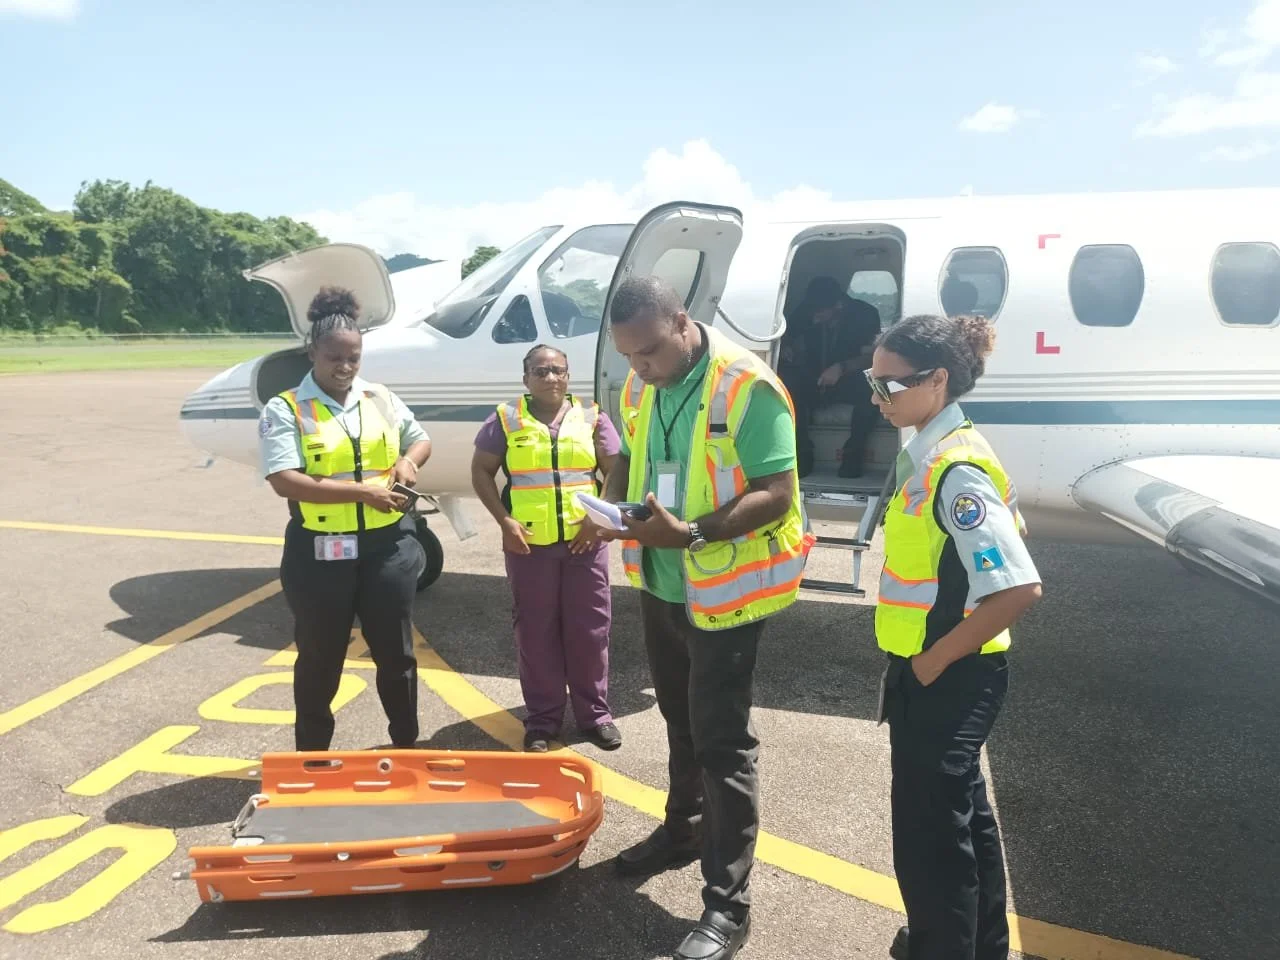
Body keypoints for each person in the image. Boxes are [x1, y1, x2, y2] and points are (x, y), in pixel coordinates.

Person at [592, 276, 811, 960]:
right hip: (662, 583)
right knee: (679, 722)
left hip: (724, 590)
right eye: (629, 357)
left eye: (651, 351)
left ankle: (728, 907)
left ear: (682, 322)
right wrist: (606, 509)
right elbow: (630, 455)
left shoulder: (748, 386)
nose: (641, 368)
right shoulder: (639, 386)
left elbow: (776, 492)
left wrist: (689, 533)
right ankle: (682, 831)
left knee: (722, 743)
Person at [865, 313, 1044, 960]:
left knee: (931, 843)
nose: (876, 397)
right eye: (872, 381)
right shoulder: (935, 453)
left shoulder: (954, 471)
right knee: (965, 823)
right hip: (940, 675)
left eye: (888, 385)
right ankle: (978, 947)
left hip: (947, 678)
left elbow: (1018, 588)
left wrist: (931, 664)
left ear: (937, 381)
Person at [258, 286, 432, 752]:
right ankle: (312, 759)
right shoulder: (286, 408)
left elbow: (419, 440)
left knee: (397, 656)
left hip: (387, 550)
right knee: (320, 659)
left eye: (354, 357)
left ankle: (406, 746)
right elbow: (284, 480)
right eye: (335, 357)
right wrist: (361, 492)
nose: (346, 366)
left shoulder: (380, 397)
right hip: (319, 554)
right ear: (312, 352)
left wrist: (408, 463)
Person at [470, 343, 623, 754]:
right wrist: (504, 521)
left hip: (584, 543)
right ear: (526, 379)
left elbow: (615, 471)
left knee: (590, 632)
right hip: (530, 547)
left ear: (569, 376)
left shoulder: (592, 418)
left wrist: (599, 520)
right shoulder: (505, 419)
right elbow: (481, 471)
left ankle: (595, 716)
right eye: (541, 371)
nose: (551, 378)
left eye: (558, 370)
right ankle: (542, 721)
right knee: (536, 634)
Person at [777, 275, 882, 479]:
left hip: (849, 378)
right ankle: (802, 453)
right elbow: (787, 335)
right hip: (813, 378)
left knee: (875, 388)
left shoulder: (866, 315)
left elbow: (872, 358)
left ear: (839, 305)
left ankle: (853, 454)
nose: (815, 318)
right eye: (812, 312)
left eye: (820, 312)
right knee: (787, 383)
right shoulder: (807, 312)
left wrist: (841, 368)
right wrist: (787, 348)